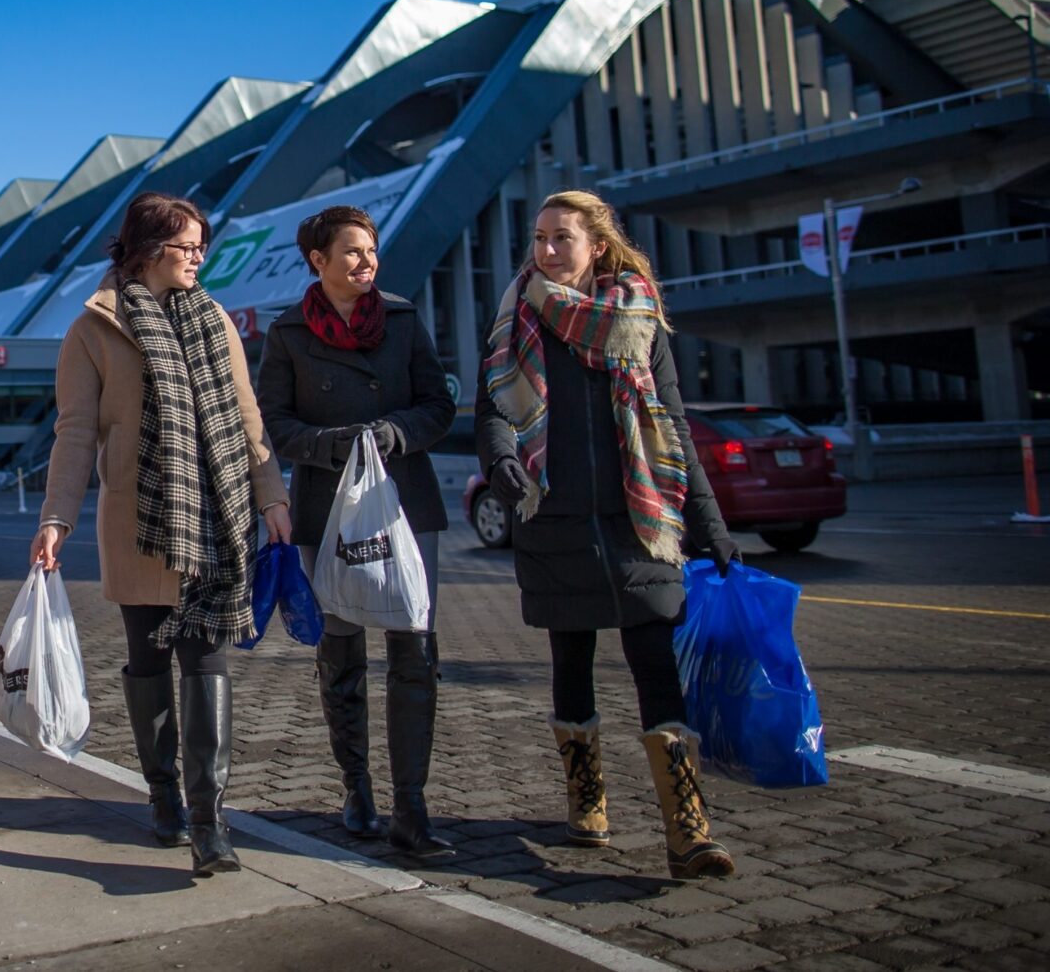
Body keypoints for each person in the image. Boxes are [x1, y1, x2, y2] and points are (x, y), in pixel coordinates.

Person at [476, 189, 741, 881]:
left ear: (598, 244)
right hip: (554, 524)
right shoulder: (517, 314)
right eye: (538, 238)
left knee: (655, 664)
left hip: (639, 523)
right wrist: (503, 460)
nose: (545, 252)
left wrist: (708, 523)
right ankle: (586, 800)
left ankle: (688, 829)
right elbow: (498, 404)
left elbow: (674, 426)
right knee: (573, 666)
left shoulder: (639, 319)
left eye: (561, 238)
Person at [30, 192, 292, 877]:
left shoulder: (215, 320)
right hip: (138, 521)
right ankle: (163, 796)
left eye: (202, 247)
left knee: (206, 662)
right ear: (147, 249)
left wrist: (271, 496)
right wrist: (55, 518)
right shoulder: (94, 328)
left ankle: (211, 823)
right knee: (149, 663)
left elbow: (246, 415)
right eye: (187, 247)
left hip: (213, 515)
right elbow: (75, 431)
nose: (199, 259)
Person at [254, 206, 458, 860]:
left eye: (371, 251)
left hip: (406, 502)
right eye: (351, 252)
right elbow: (271, 424)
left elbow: (438, 404)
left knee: (413, 652)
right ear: (318, 261)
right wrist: (328, 445)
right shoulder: (287, 333)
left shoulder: (401, 320)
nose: (366, 262)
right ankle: (357, 790)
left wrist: (396, 432)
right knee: (340, 653)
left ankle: (414, 808)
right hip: (325, 509)